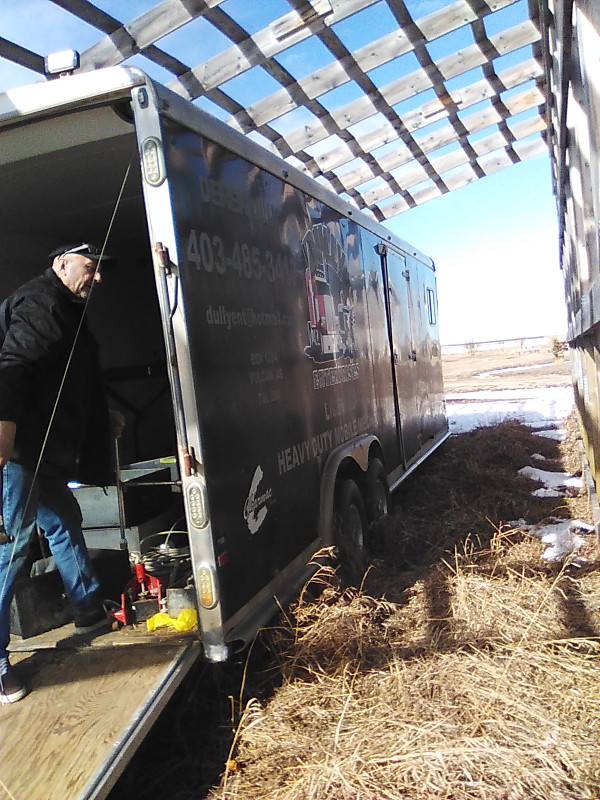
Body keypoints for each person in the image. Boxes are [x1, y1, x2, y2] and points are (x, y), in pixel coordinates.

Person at [0, 243, 122, 704]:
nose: (97, 278)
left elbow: (78, 377)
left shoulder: (69, 309)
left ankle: (88, 609)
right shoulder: (41, 303)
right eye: (91, 267)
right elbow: (13, 367)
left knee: (65, 522)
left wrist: (103, 415)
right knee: (10, 548)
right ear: (60, 263)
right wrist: (4, 430)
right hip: (19, 450)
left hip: (44, 450)